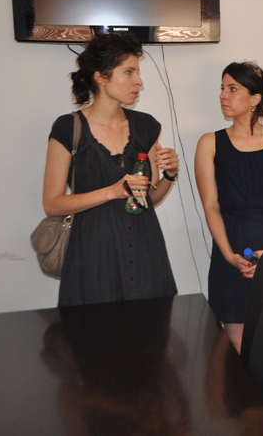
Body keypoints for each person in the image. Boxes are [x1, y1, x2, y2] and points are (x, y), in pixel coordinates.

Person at [42, 31, 180, 307]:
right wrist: (112, 191)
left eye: (137, 72)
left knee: (152, 330)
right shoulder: (68, 128)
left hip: (146, 251)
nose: (138, 81)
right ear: (101, 77)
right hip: (93, 255)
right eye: (128, 72)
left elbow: (149, 199)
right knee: (94, 332)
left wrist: (169, 174)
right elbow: (52, 204)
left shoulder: (146, 126)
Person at [194, 61, 263, 353]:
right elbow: (211, 205)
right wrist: (228, 254)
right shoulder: (209, 143)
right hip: (231, 249)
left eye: (232, 89)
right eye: (222, 88)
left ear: (255, 98)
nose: (222, 95)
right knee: (236, 341)